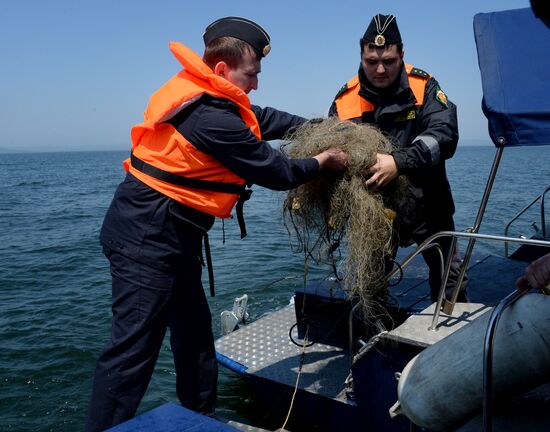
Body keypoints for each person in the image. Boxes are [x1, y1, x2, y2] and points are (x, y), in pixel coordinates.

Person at [86, 16, 349, 432]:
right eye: (252, 74)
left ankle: (200, 419)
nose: (257, 84)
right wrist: (324, 159)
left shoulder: (216, 99)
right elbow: (276, 170)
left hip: (174, 234)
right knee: (133, 351)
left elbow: (264, 117)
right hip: (146, 236)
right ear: (224, 70)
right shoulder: (209, 118)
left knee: (193, 335)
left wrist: (318, 126)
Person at [329, 14, 467, 303]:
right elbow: (332, 153)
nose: (380, 69)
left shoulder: (423, 86)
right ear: (361, 54)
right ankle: (374, 338)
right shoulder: (345, 101)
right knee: (370, 286)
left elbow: (445, 135)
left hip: (429, 204)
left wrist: (398, 162)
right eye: (371, 62)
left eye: (389, 61)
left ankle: (453, 341)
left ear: (402, 54)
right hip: (375, 211)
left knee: (450, 279)